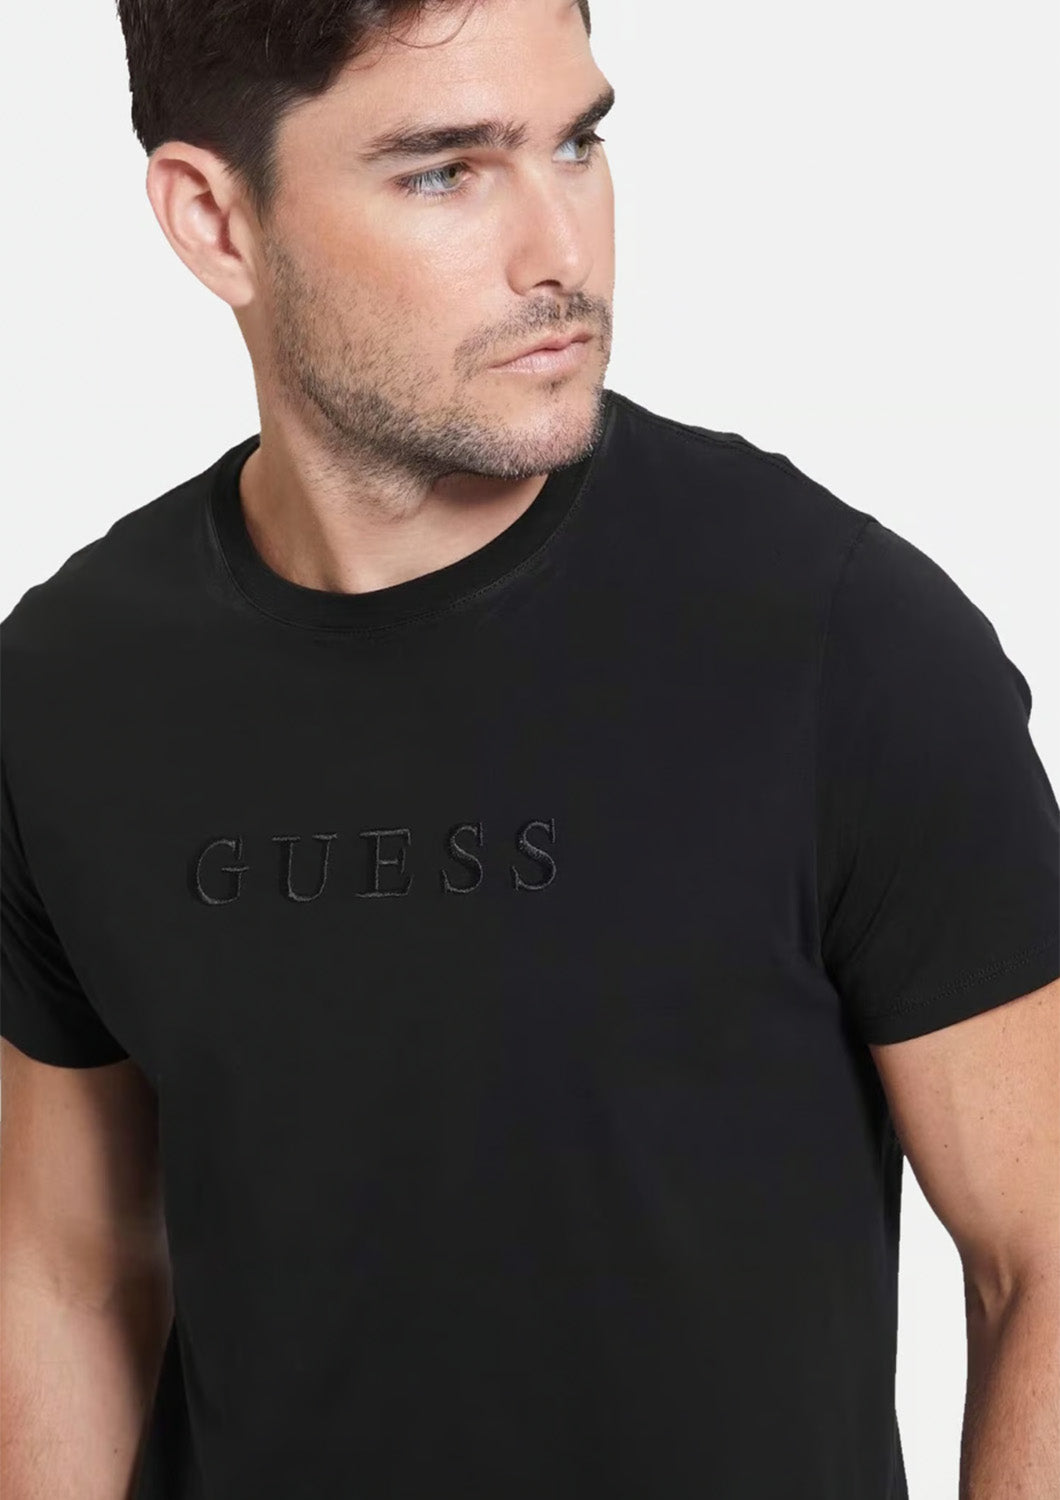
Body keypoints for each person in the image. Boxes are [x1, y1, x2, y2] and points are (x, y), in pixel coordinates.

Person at [1, 0, 1057, 1496]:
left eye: (578, 143)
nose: (560, 252)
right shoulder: (69, 688)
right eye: (445, 170)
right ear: (214, 220)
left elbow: (1040, 1254)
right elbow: (68, 1276)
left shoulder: (832, 636)